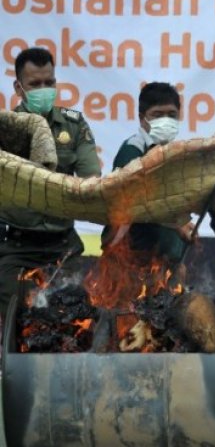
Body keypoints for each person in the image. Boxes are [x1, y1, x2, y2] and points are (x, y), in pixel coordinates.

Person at [0, 47, 101, 319]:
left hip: (63, 247)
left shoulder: (74, 125)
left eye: (49, 83)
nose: (44, 89)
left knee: (75, 322)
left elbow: (92, 180)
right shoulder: (4, 130)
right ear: (18, 88)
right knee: (14, 324)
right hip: (19, 249)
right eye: (35, 84)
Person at [101, 82, 193, 267]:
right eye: (157, 115)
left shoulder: (177, 153)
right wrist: (178, 223)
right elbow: (136, 203)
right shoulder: (132, 150)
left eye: (171, 115)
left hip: (168, 261)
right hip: (134, 260)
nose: (166, 120)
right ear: (143, 119)